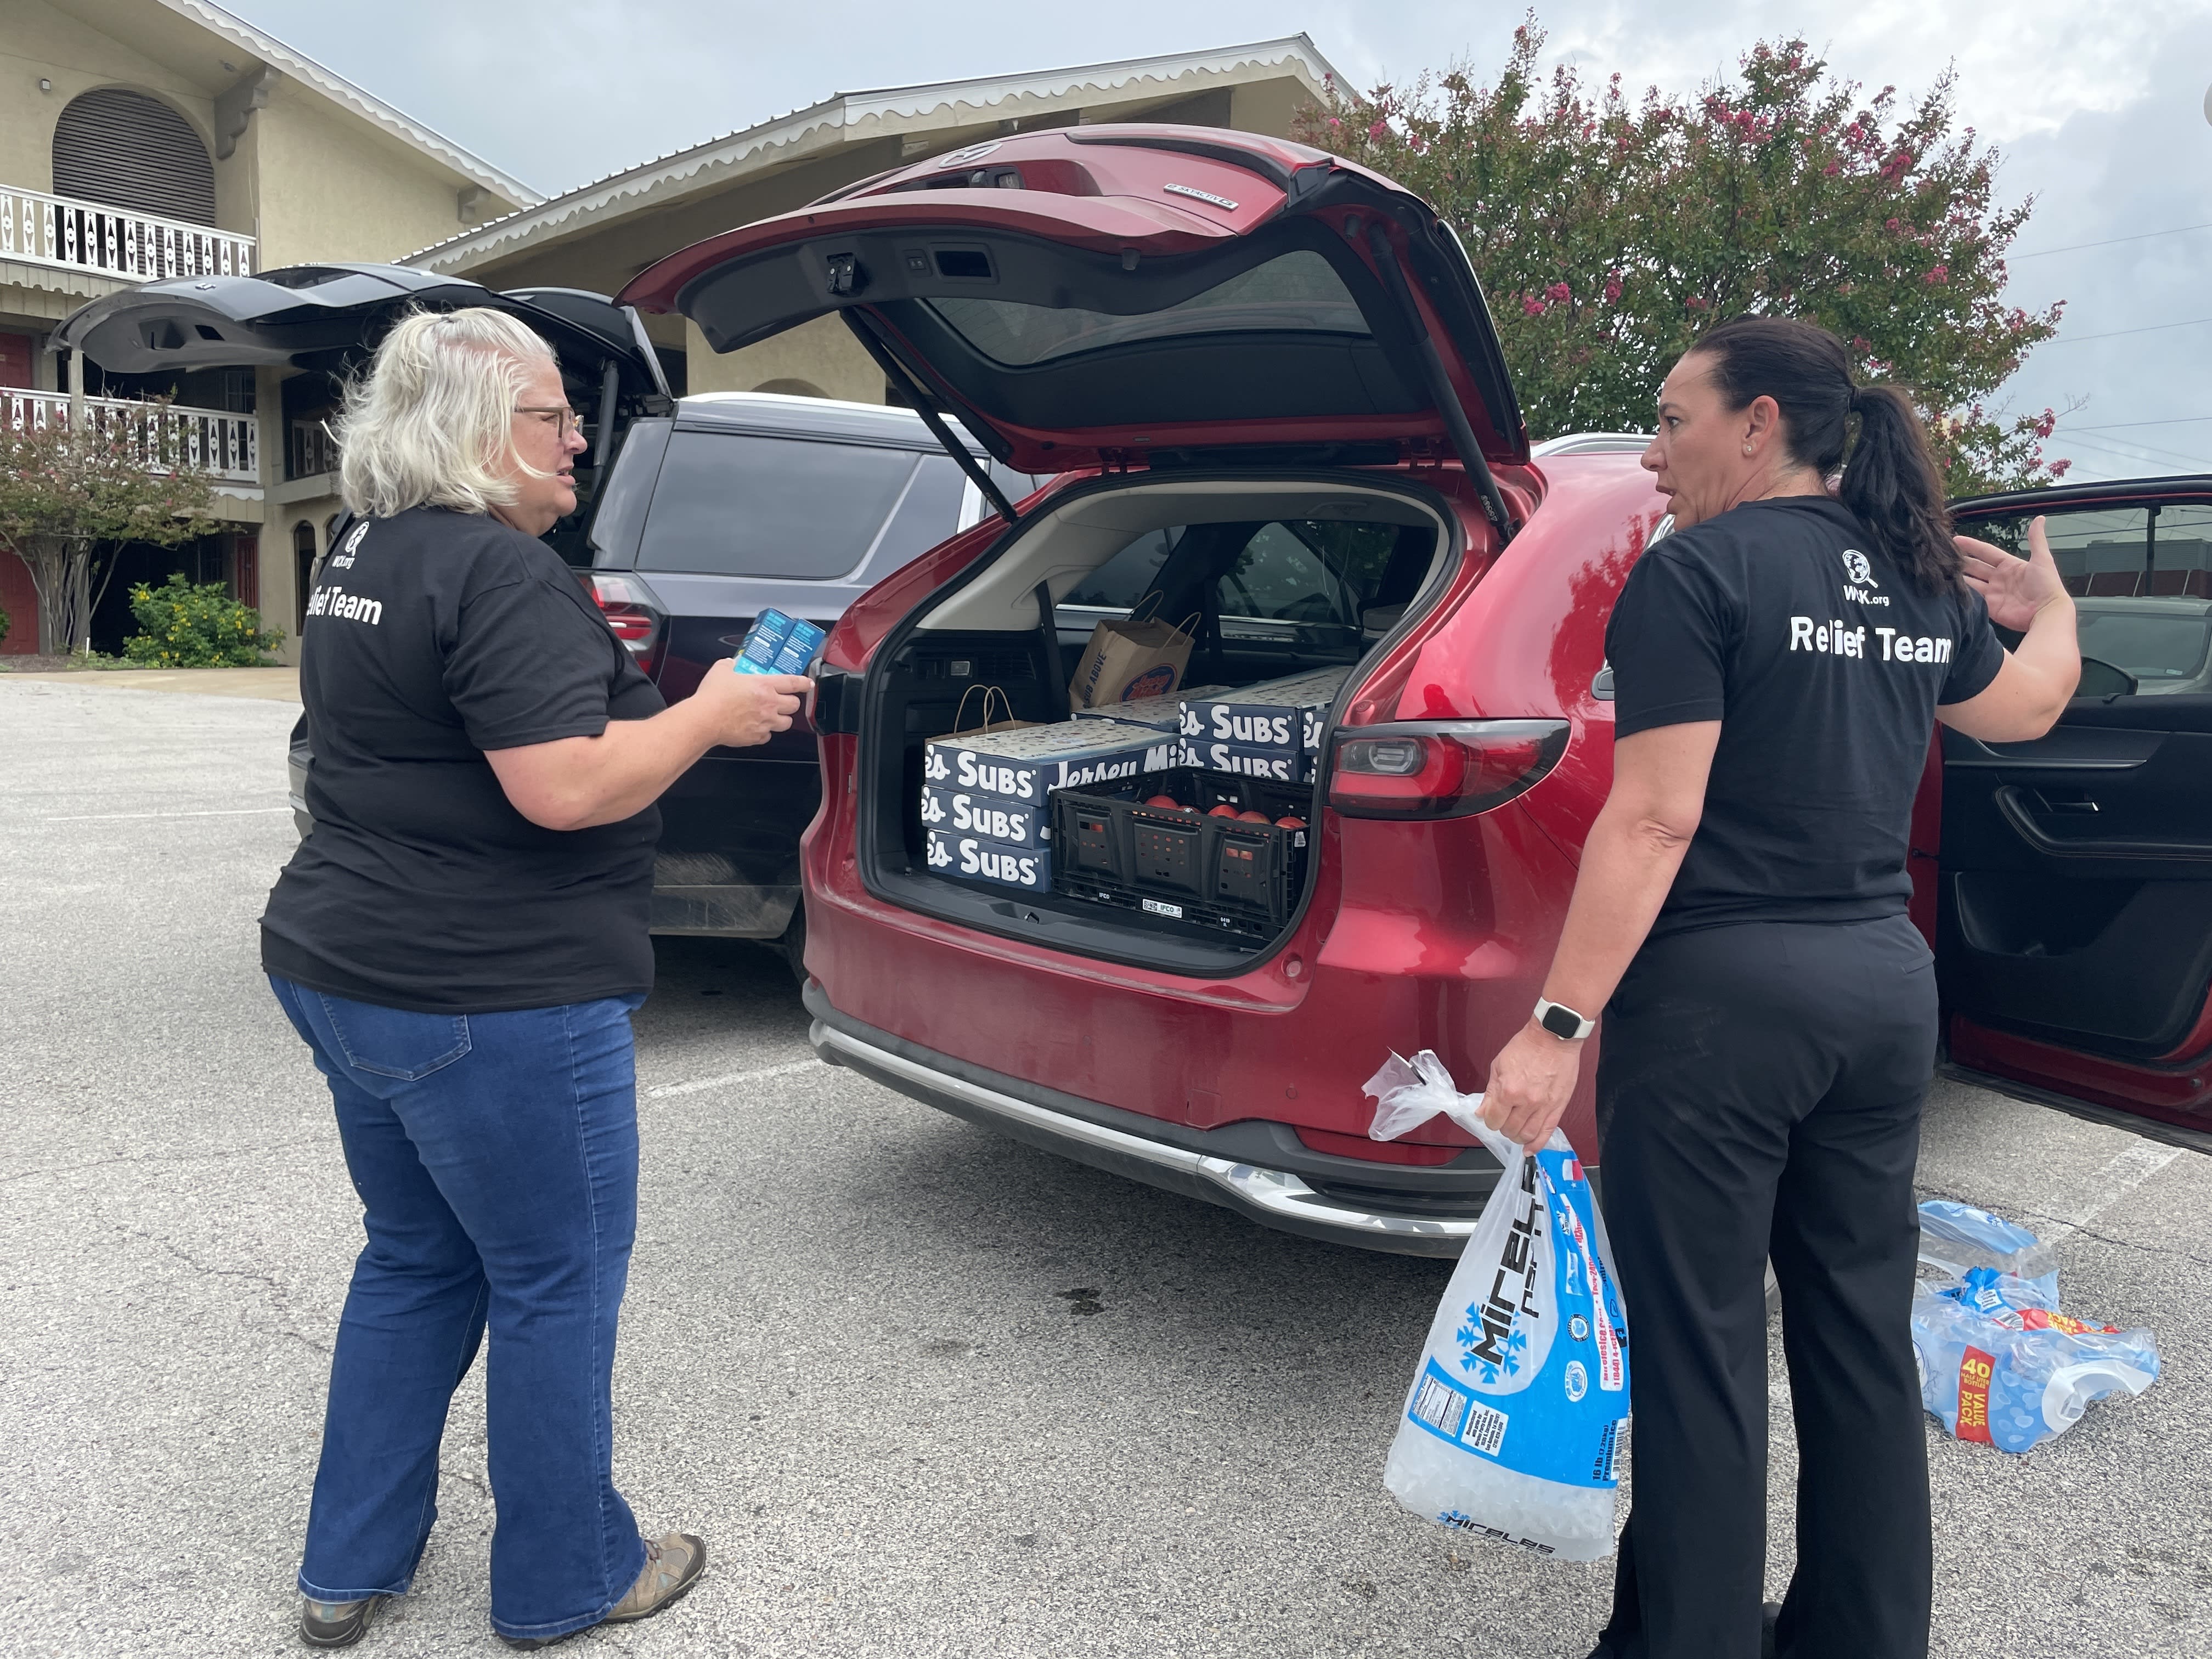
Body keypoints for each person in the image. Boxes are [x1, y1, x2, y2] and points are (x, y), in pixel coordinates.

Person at [1476, 316, 2079, 1659]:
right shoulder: (1917, 579)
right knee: (1860, 1334)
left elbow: (1652, 821)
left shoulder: (1700, 574)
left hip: (1719, 1018)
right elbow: (2029, 707)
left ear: (1757, 425)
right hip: (1880, 997)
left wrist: (1556, 1025)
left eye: (1674, 418)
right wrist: (2060, 611)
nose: (1653, 449)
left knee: (1700, 1350)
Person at [261, 307, 811, 1651]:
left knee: (414, 1259)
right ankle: (570, 1575)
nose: (580, 436)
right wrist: (710, 714)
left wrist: (637, 706)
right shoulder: (501, 573)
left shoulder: (365, 552)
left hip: (343, 966)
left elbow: (443, 735)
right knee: (555, 1276)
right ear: (466, 429)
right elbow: (561, 789)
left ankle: (350, 1568)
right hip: (486, 992)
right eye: (550, 414)